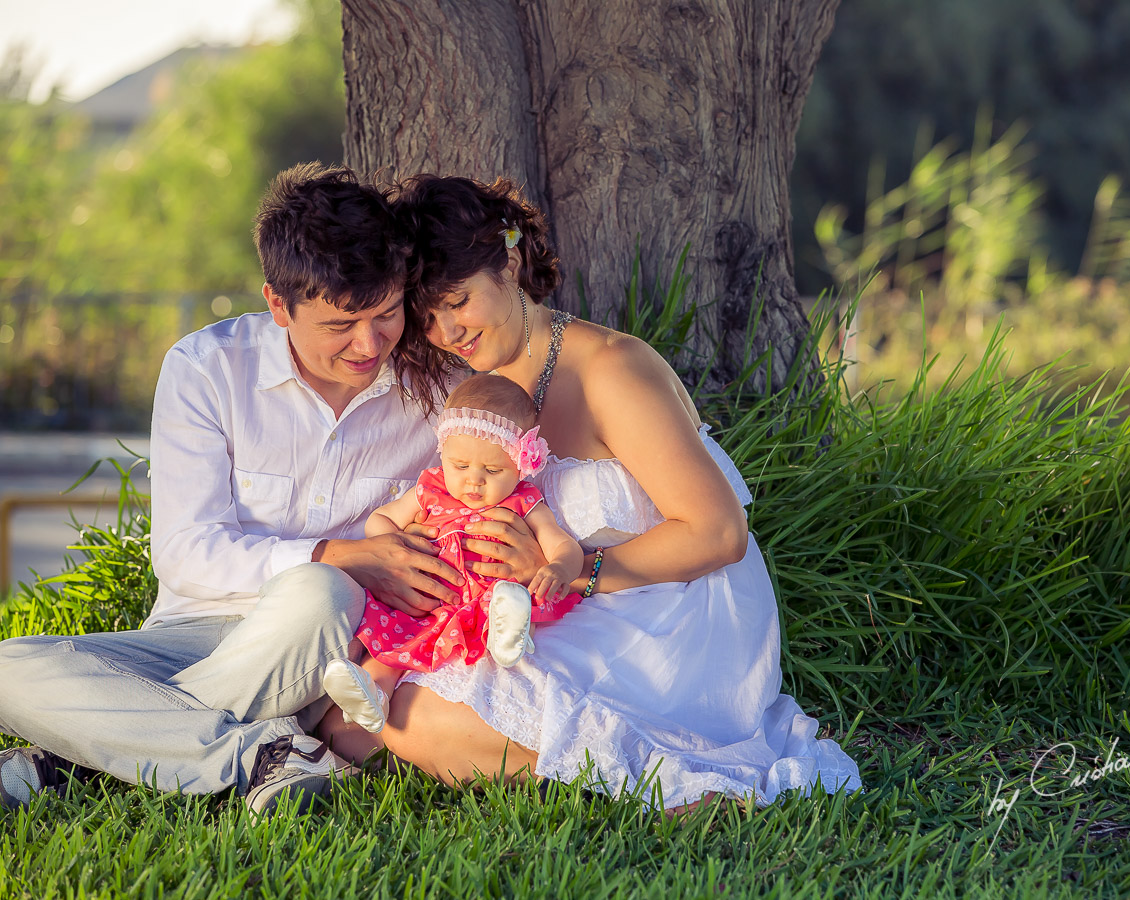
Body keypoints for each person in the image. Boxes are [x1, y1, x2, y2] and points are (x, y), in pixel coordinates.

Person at [319, 174, 862, 809]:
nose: (447, 332)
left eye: (458, 300)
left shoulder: (611, 368)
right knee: (347, 723)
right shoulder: (478, 386)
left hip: (665, 609)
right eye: (429, 317)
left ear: (512, 261)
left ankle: (667, 790)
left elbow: (718, 534)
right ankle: (564, 763)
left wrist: (572, 573)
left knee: (415, 717)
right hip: (543, 608)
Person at [0, 163, 464, 814]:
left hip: (325, 637)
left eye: (386, 314)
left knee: (320, 590)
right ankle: (258, 754)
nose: (370, 343)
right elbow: (187, 552)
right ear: (278, 303)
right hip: (194, 632)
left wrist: (345, 569)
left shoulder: (438, 390)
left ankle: (85, 758)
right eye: (340, 324)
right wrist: (342, 553)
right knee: (7, 667)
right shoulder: (206, 367)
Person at [322, 372, 584, 735]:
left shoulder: (523, 501)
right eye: (460, 466)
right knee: (399, 633)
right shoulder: (431, 487)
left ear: (521, 466)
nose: (473, 480)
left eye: (493, 470)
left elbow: (563, 544)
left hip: (488, 595)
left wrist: (559, 567)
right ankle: (373, 692)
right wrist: (395, 546)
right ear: (444, 452)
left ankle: (509, 637)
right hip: (428, 594)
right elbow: (379, 520)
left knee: (507, 601)